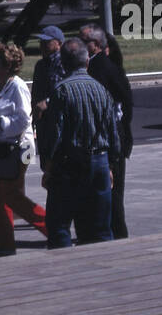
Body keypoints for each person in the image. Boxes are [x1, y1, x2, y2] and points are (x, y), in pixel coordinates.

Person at [39, 39, 122, 248]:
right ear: (87, 61)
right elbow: (113, 134)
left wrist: (48, 168)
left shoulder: (61, 91)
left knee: (59, 228)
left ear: (64, 64)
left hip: (68, 166)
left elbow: (55, 136)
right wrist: (111, 164)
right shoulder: (102, 91)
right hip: (99, 163)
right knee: (101, 228)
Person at [0, 41, 46, 254]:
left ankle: (52, 229)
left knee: (12, 195)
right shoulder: (0, 87)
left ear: (7, 65)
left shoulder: (17, 86)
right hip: (0, 148)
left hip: (18, 148)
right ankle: (4, 244)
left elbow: (23, 119)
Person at [83, 24, 134, 240]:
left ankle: (115, 235)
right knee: (112, 193)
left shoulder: (98, 69)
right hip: (115, 138)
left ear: (94, 46)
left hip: (107, 141)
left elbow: (123, 104)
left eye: (83, 40)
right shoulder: (109, 66)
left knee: (110, 194)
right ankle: (114, 233)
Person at [30, 26, 66, 127]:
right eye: (41, 42)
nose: (42, 45)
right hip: (42, 120)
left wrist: (47, 102)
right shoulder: (40, 65)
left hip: (60, 118)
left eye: (47, 42)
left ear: (59, 43)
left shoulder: (64, 63)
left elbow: (66, 90)